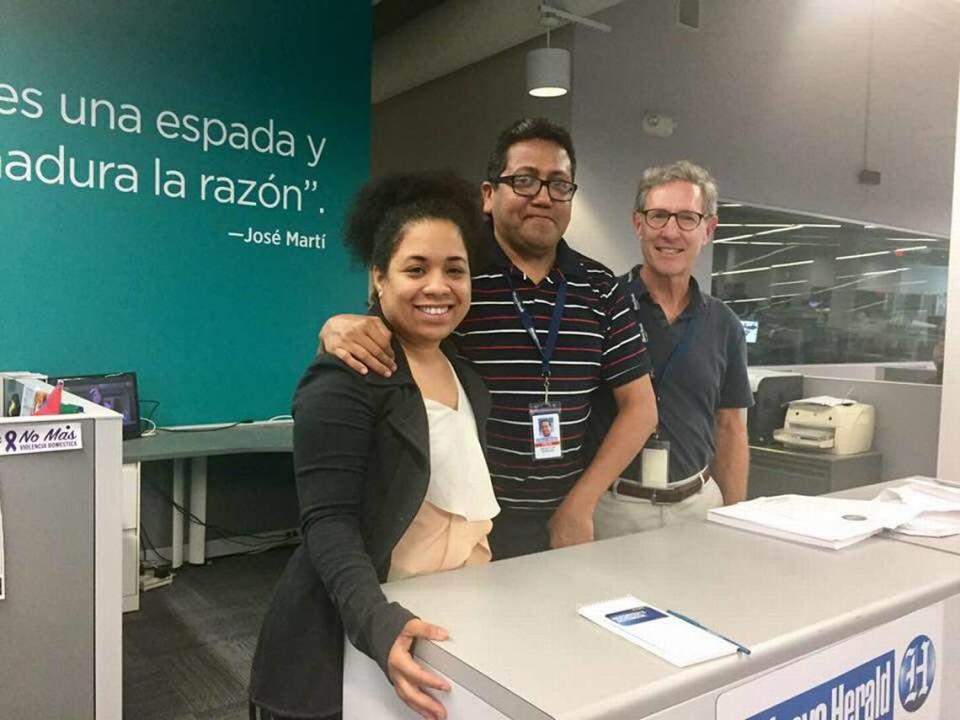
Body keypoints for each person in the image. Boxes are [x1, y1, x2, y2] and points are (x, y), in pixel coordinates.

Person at [320, 118, 657, 559]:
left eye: (559, 184)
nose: (542, 196)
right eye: (524, 180)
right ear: (487, 195)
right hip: (461, 518)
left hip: (566, 514)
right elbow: (378, 332)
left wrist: (581, 503)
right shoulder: (457, 273)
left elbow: (641, 408)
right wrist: (335, 326)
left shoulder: (600, 288)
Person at [249, 172, 496, 720]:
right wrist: (378, 623)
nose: (439, 286)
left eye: (455, 270)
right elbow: (329, 522)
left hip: (448, 629)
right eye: (416, 268)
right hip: (357, 633)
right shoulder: (347, 374)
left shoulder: (468, 380)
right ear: (379, 279)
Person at [592, 161, 753, 538]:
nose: (670, 231)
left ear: (707, 230)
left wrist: (737, 518)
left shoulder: (723, 324)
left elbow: (730, 428)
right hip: (615, 508)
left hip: (698, 504)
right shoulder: (602, 308)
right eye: (658, 216)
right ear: (638, 224)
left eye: (686, 218)